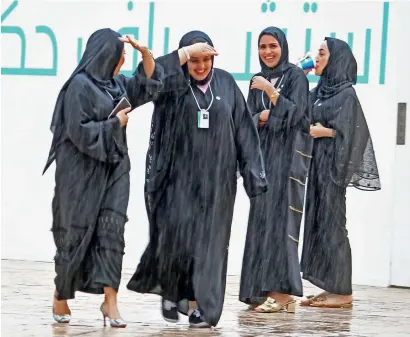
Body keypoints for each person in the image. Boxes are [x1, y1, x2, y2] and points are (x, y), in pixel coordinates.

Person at [43, 28, 214, 327]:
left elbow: (148, 83)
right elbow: (79, 133)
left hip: (115, 169)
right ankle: (62, 293)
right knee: (74, 235)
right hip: (79, 176)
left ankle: (110, 302)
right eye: (119, 56)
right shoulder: (78, 87)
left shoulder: (117, 84)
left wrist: (146, 54)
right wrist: (113, 125)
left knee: (112, 234)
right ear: (104, 56)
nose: (122, 61)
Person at [126, 30, 268, 328]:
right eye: (194, 60)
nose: (201, 66)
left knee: (211, 247)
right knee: (178, 243)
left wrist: (253, 176)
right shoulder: (172, 84)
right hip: (177, 181)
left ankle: (204, 308)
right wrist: (180, 56)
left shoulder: (227, 84)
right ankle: (173, 292)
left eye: (206, 59)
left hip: (218, 184)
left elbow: (244, 131)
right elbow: (141, 88)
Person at [300, 37, 381, 308]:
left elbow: (355, 136)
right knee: (319, 226)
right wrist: (299, 76)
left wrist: (326, 131)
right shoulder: (322, 90)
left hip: (333, 174)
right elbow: (299, 111)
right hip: (317, 171)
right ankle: (329, 286)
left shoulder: (346, 94)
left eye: (322, 53)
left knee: (334, 228)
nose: (318, 58)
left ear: (336, 59)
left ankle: (343, 292)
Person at [238, 27, 312, 313]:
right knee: (261, 222)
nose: (267, 52)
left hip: (287, 159)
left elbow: (298, 116)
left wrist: (271, 94)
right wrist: (263, 116)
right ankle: (260, 290)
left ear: (283, 47)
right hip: (263, 160)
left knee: (280, 223)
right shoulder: (255, 79)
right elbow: (246, 119)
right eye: (262, 46)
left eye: (273, 46)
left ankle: (282, 294)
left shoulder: (294, 76)